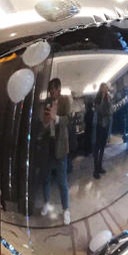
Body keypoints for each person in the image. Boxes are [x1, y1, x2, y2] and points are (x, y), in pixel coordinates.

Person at [41, 77, 72, 225]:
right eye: (50, 90)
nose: (52, 92)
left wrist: (56, 118)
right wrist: (46, 122)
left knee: (62, 181)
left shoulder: (65, 100)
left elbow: (68, 119)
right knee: (46, 179)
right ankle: (46, 203)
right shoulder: (47, 102)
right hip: (48, 146)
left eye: (54, 89)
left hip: (61, 146)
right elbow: (45, 123)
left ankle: (66, 210)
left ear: (59, 88)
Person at [93, 83, 112, 179]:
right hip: (99, 126)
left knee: (103, 147)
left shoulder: (108, 98)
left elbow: (110, 111)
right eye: (104, 88)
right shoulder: (97, 99)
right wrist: (102, 98)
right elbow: (99, 110)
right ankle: (95, 170)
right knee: (97, 148)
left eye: (106, 88)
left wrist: (108, 101)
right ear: (101, 89)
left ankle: (100, 166)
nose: (106, 90)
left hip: (106, 125)